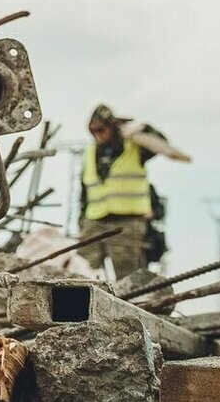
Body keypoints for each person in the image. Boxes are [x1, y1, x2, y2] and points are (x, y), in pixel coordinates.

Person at [78, 104, 190, 279]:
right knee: (83, 270)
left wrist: (144, 129)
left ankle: (131, 303)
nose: (97, 134)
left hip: (127, 223)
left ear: (112, 127)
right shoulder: (90, 153)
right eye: (93, 131)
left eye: (101, 129)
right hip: (94, 222)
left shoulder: (134, 147)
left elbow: (161, 144)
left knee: (128, 274)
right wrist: (82, 221)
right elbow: (85, 192)